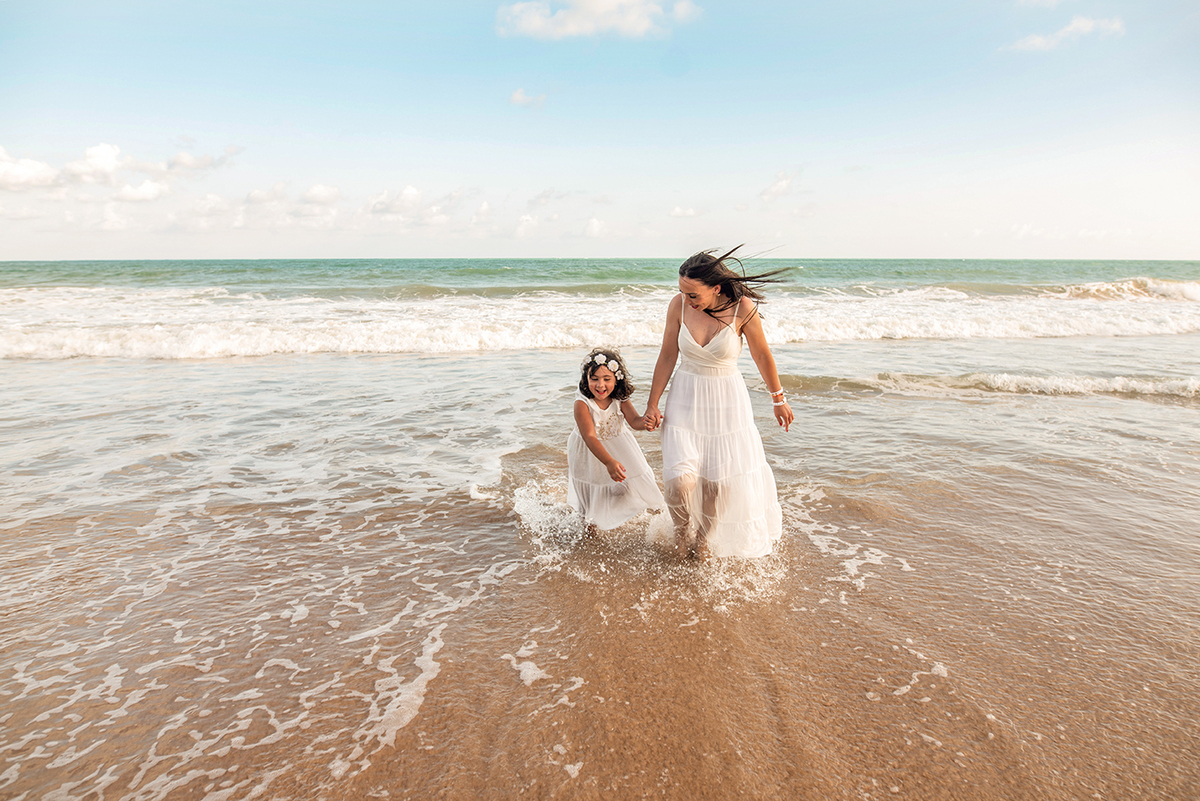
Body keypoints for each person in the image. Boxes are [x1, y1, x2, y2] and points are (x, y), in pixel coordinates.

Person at [642, 247, 793, 559]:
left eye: (693, 294)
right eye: (682, 291)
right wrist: (653, 403)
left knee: (717, 483)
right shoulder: (678, 306)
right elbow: (668, 354)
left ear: (717, 288)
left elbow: (762, 355)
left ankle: (704, 541)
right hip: (685, 397)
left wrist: (778, 399)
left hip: (727, 402)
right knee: (679, 481)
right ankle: (682, 533)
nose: (687, 299)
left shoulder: (743, 309)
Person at [567, 348, 666, 532]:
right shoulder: (582, 403)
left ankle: (620, 517)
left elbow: (635, 421)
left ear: (616, 379)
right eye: (594, 379)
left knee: (630, 484)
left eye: (607, 379)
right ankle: (590, 533)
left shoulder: (620, 398)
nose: (600, 385)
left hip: (619, 444)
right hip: (588, 450)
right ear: (586, 379)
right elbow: (589, 436)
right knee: (590, 498)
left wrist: (648, 422)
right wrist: (609, 461)